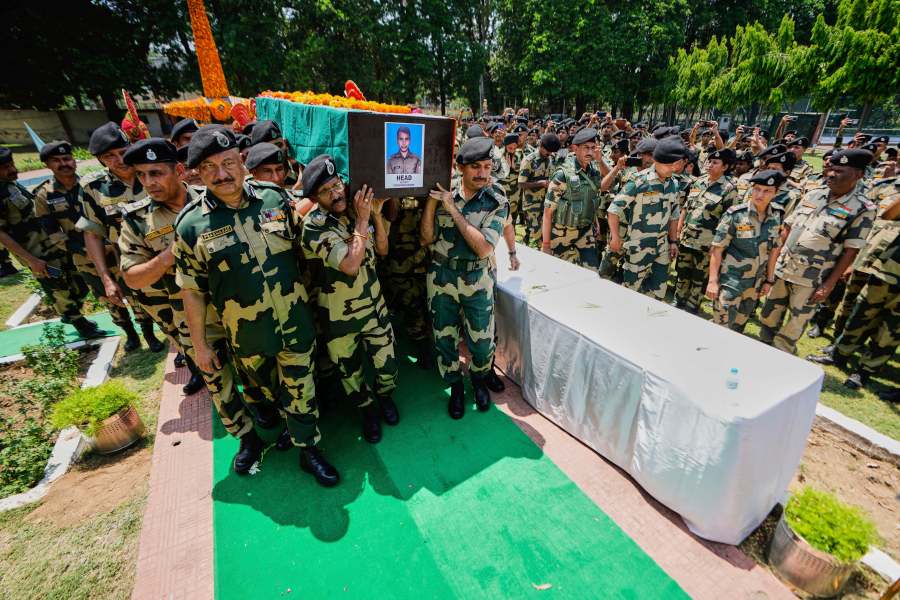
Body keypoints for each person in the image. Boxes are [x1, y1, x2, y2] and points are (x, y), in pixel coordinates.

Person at [174, 125, 337, 486]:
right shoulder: (190, 226)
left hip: (295, 321)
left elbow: (303, 248)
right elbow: (192, 291)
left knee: (302, 390)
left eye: (228, 162)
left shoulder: (273, 199)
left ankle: (309, 450)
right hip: (248, 336)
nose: (222, 174)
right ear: (198, 173)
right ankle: (267, 433)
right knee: (268, 393)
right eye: (209, 167)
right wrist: (199, 346)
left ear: (242, 161)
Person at [301, 155, 399, 444]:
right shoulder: (314, 226)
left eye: (337, 185)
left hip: (374, 307)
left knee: (387, 363)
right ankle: (366, 410)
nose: (336, 194)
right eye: (326, 191)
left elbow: (383, 250)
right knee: (350, 371)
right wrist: (363, 219)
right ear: (314, 198)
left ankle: (385, 396)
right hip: (339, 317)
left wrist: (375, 215)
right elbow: (350, 265)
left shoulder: (357, 210)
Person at [420, 136, 509, 419]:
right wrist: (433, 203)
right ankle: (455, 385)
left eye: (487, 166)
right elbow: (426, 238)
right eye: (475, 167)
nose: (483, 173)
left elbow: (483, 248)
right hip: (441, 276)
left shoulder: (496, 200)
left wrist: (452, 209)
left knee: (482, 342)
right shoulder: (444, 192)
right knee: (444, 337)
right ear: (460, 167)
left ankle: (479, 379)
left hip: (477, 277)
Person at [758, 149, 876, 355]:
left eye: (839, 171)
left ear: (858, 175)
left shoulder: (863, 208)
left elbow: (851, 251)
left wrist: (828, 285)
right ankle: (761, 350)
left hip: (812, 279)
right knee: (768, 316)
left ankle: (779, 359)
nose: (831, 174)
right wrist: (771, 263)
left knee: (794, 326)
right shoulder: (814, 194)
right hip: (783, 268)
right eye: (831, 169)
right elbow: (787, 229)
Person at [0, 146, 105, 338]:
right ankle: (80, 324)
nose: (12, 169)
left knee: (80, 284)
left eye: (11, 164)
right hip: (36, 252)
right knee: (58, 288)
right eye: (5, 167)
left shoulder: (11, 185)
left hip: (55, 244)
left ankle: (69, 313)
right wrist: (31, 260)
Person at [78, 122, 164, 352]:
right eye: (110, 156)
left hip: (164, 250)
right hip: (127, 258)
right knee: (138, 301)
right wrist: (106, 278)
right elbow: (92, 234)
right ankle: (145, 335)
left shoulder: (153, 173)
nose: (120, 160)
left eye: (123, 152)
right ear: (100, 160)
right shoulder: (93, 188)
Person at [807, 177, 899, 389]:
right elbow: (888, 215)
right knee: (861, 314)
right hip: (887, 269)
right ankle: (839, 355)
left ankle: (864, 371)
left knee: (892, 330)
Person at [707, 170, 787, 331]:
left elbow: (774, 250)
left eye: (767, 191)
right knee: (720, 326)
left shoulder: (777, 215)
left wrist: (769, 280)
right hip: (731, 281)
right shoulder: (736, 214)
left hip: (754, 284)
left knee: (738, 328)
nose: (760, 194)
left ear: (776, 193)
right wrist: (712, 281)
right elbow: (717, 250)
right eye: (757, 189)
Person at [607, 136, 685, 300]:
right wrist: (615, 237)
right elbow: (614, 210)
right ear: (656, 161)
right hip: (639, 247)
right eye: (668, 165)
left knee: (658, 292)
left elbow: (674, 214)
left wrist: (673, 241)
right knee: (629, 291)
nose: (672, 169)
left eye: (674, 165)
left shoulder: (673, 183)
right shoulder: (639, 182)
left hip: (662, 247)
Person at [673, 148, 739, 314]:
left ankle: (692, 305)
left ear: (725, 167)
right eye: (709, 161)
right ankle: (678, 300)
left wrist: (717, 245)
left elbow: (728, 220)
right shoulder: (698, 182)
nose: (710, 164)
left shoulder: (729, 189)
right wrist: (679, 230)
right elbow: (686, 207)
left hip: (706, 243)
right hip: (687, 238)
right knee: (682, 272)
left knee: (699, 277)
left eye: (715, 162)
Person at [541, 127, 604, 268]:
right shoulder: (563, 175)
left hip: (586, 232)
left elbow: (592, 200)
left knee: (591, 272)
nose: (590, 152)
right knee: (557, 272)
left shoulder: (594, 172)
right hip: (562, 233)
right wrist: (546, 245)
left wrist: (595, 222)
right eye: (586, 148)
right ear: (575, 148)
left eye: (593, 148)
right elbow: (548, 212)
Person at [517, 133, 560, 246]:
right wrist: (540, 183)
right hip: (532, 205)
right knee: (535, 236)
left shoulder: (550, 159)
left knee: (544, 235)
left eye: (551, 152)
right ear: (540, 145)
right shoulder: (529, 160)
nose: (549, 153)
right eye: (547, 151)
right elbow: (521, 184)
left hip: (547, 203)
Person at [500, 133, 523, 228]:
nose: (512, 150)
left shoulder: (520, 154)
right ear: (505, 145)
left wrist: (514, 167)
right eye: (510, 148)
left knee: (512, 217)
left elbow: (523, 170)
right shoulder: (498, 155)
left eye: (514, 148)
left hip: (515, 192)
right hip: (502, 191)